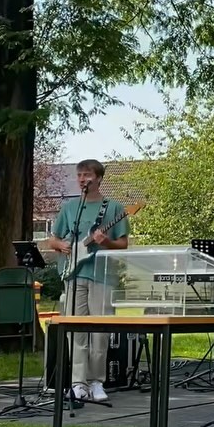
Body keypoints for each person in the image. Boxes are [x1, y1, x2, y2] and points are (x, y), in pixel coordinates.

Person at [48, 159, 130, 403]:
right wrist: (60, 245)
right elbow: (52, 240)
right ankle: (78, 383)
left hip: (102, 276)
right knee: (76, 330)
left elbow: (123, 244)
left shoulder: (113, 207)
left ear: (99, 178)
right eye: (80, 175)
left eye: (87, 175)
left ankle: (96, 382)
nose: (83, 179)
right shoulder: (72, 207)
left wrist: (105, 242)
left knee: (99, 331)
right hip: (74, 275)